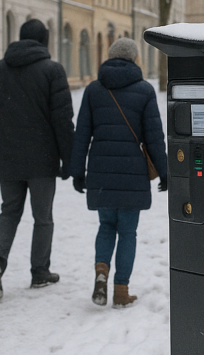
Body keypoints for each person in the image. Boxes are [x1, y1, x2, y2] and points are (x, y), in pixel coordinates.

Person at [0, 19, 74, 300]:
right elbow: (62, 120)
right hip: (42, 160)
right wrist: (69, 159)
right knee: (42, 217)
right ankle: (40, 271)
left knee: (9, 211)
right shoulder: (52, 71)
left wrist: (1, 138)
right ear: (44, 41)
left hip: (8, 158)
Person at [70, 38, 167, 308]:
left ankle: (101, 271)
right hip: (132, 173)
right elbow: (154, 138)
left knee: (105, 226)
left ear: (110, 58)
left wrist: (78, 171)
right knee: (127, 232)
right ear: (135, 59)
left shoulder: (93, 90)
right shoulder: (145, 91)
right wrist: (165, 171)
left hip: (100, 172)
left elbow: (82, 135)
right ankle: (121, 291)